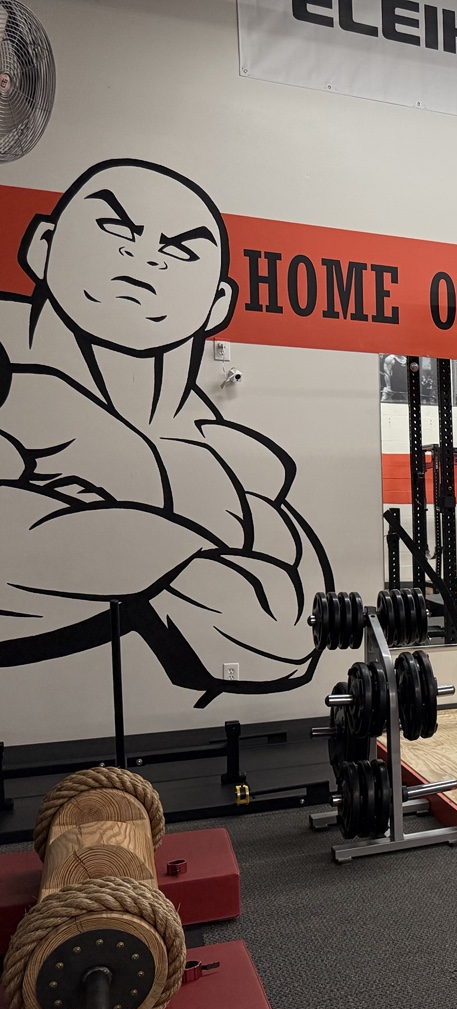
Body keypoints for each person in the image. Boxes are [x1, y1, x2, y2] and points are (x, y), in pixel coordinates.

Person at [0, 159, 331, 700]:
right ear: (42, 245)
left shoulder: (225, 451)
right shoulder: (8, 370)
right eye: (115, 229)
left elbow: (289, 630)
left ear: (216, 304)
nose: (145, 254)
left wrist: (116, 536)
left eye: (179, 249)